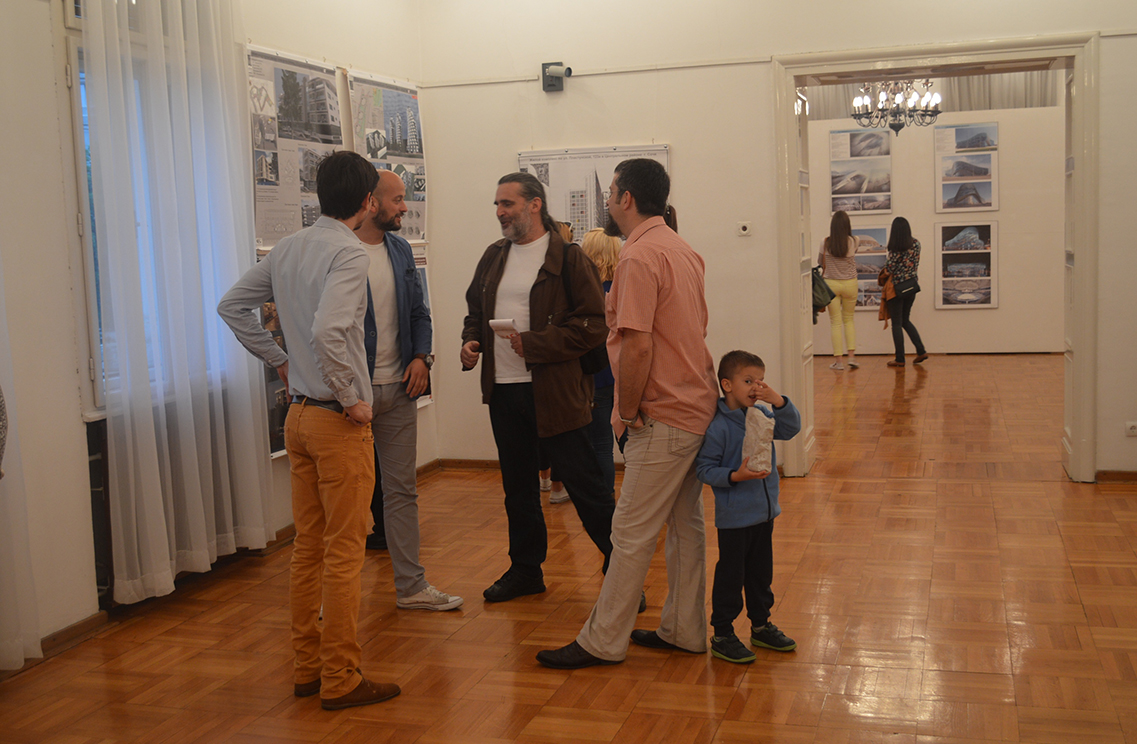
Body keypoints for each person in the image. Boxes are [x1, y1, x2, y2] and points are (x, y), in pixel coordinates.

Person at [217, 150, 400, 711]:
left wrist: (279, 359)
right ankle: (341, 677)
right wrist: (352, 399)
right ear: (367, 201)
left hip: (297, 416)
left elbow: (231, 307)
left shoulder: (289, 247)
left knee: (308, 550)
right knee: (344, 553)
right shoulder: (349, 253)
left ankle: (307, 668)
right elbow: (328, 330)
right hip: (334, 421)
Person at [536, 158, 719, 669]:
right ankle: (684, 629)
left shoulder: (639, 256)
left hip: (663, 412)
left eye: (612, 190)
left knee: (630, 533)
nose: (608, 200)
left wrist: (630, 409)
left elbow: (637, 344)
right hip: (694, 404)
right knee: (685, 528)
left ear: (627, 198)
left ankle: (603, 640)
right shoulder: (681, 248)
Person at [461, 172, 616, 603]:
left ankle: (622, 571)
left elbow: (593, 325)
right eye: (497, 204)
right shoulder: (494, 256)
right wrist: (471, 341)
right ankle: (526, 570)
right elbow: (475, 311)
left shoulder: (568, 258)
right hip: (504, 390)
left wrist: (535, 344)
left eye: (507, 204)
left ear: (534, 204)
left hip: (556, 392)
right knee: (518, 489)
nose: (499, 212)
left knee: (586, 487)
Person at [355, 169, 462, 611]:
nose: (405, 207)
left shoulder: (400, 249)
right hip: (351, 397)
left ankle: (412, 587)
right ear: (370, 202)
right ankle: (332, 597)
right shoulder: (337, 251)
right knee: (344, 500)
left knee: (401, 492)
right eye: (397, 199)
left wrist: (422, 357)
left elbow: (420, 312)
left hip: (399, 390)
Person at [695, 350, 800, 663]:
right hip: (734, 519)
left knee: (760, 575)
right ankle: (722, 633)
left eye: (761, 381)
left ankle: (761, 625)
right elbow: (704, 469)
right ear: (727, 385)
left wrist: (778, 401)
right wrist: (734, 476)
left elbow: (790, 429)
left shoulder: (764, 415)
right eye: (748, 381)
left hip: (764, 515)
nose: (757, 387)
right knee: (731, 576)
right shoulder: (719, 428)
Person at [578, 228, 622, 496]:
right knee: (625, 443)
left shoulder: (587, 291)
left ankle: (604, 501)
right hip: (620, 371)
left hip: (596, 374)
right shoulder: (621, 288)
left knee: (600, 445)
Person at [882, 216, 928, 367]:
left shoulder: (895, 248)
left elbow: (889, 269)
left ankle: (900, 359)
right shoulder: (916, 244)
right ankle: (921, 350)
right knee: (905, 320)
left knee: (896, 323)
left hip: (896, 289)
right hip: (911, 287)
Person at [819, 211, 859, 370]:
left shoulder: (825, 242)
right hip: (850, 284)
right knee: (849, 320)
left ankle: (839, 362)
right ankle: (852, 358)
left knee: (835, 322)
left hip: (831, 285)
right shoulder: (854, 241)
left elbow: (820, 262)